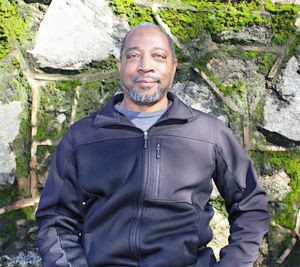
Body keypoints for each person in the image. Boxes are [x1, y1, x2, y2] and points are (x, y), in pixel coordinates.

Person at [36, 22, 270, 267]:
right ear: (120, 65)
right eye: (133, 56)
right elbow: (55, 220)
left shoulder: (209, 133)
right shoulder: (82, 137)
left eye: (158, 56)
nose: (145, 66)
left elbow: (250, 205)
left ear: (173, 67)